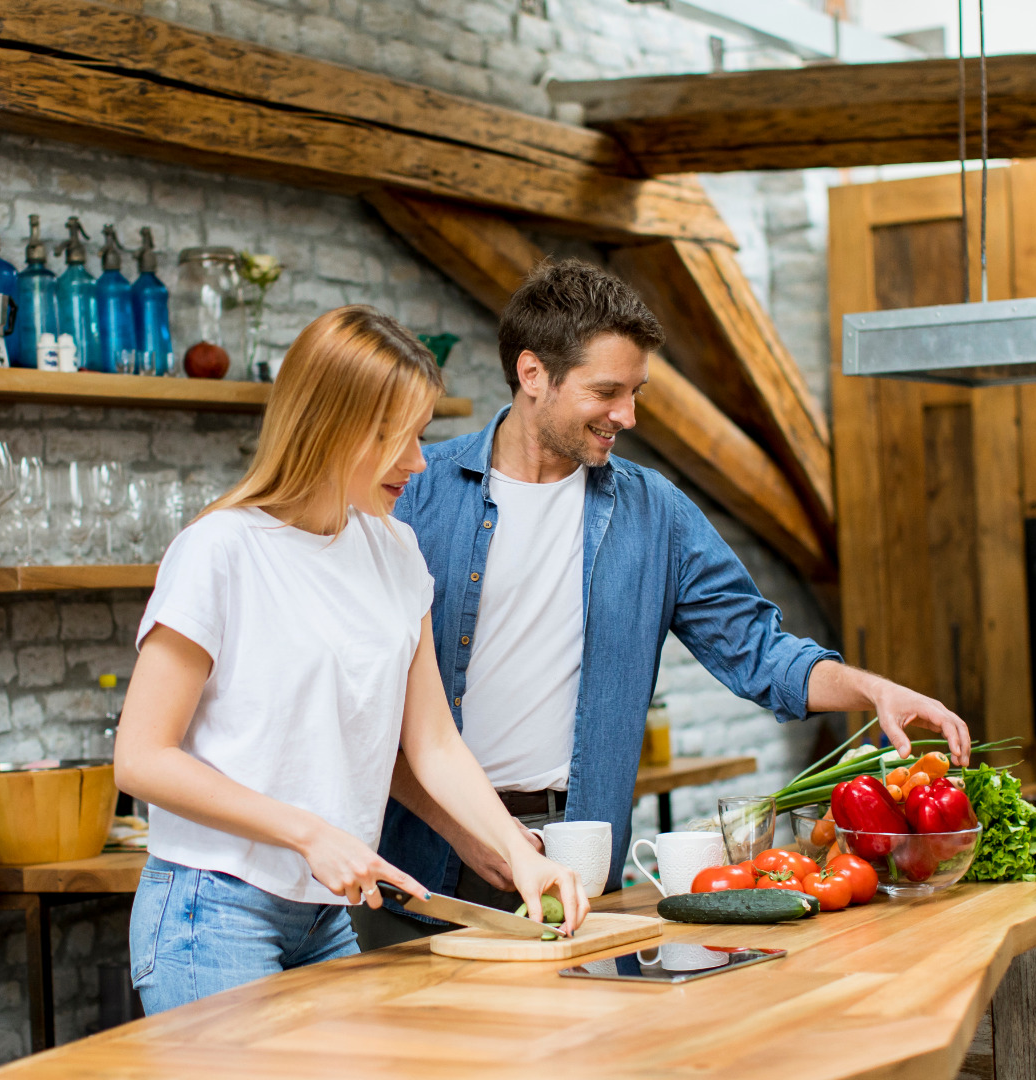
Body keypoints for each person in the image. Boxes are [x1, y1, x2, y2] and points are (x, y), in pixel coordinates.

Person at [358, 260, 971, 945]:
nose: (628, 414)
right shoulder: (413, 494)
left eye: (636, 390)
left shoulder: (656, 514)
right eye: (607, 391)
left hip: (576, 857)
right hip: (416, 859)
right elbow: (359, 703)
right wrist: (467, 829)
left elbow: (757, 648)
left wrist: (869, 688)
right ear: (533, 375)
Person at [114, 305, 587, 1015]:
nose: (419, 462)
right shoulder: (221, 550)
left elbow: (431, 743)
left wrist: (519, 852)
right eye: (394, 438)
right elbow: (141, 758)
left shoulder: (396, 552)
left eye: (421, 436)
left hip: (323, 912)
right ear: (329, 426)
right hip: (211, 910)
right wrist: (308, 832)